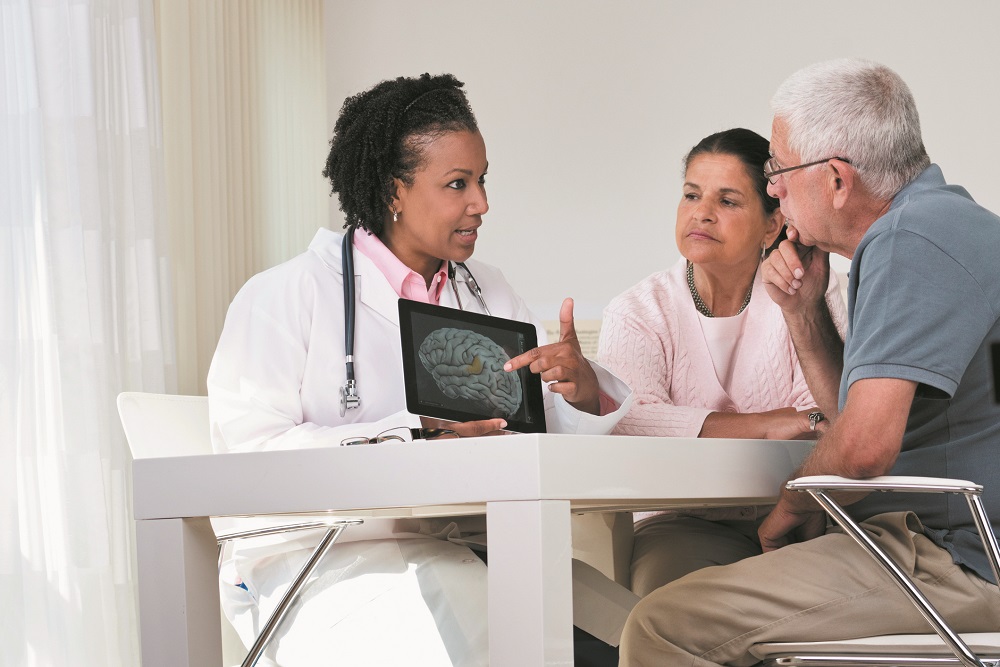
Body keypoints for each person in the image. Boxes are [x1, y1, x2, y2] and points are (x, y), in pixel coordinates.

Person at [207, 73, 634, 666]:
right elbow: (250, 460)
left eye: (482, 180)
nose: (481, 203)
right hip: (326, 564)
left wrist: (581, 393)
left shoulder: (487, 290)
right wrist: (413, 436)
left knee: (643, 640)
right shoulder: (284, 295)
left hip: (476, 545)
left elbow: (536, 436)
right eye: (457, 184)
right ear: (393, 191)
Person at [619, 58, 1000, 665]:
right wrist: (802, 311)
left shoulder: (910, 240)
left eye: (778, 172)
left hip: (951, 556)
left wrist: (790, 506)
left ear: (838, 180)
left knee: (661, 624)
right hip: (938, 545)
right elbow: (854, 419)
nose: (773, 190)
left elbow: (862, 449)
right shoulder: (945, 224)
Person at [598, 128, 846, 597]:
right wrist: (770, 424)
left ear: (771, 225)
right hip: (679, 523)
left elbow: (826, 417)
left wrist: (796, 422)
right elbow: (632, 421)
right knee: (674, 606)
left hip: (804, 519)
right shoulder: (636, 310)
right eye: (691, 195)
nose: (702, 213)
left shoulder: (815, 291)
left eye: (728, 201)